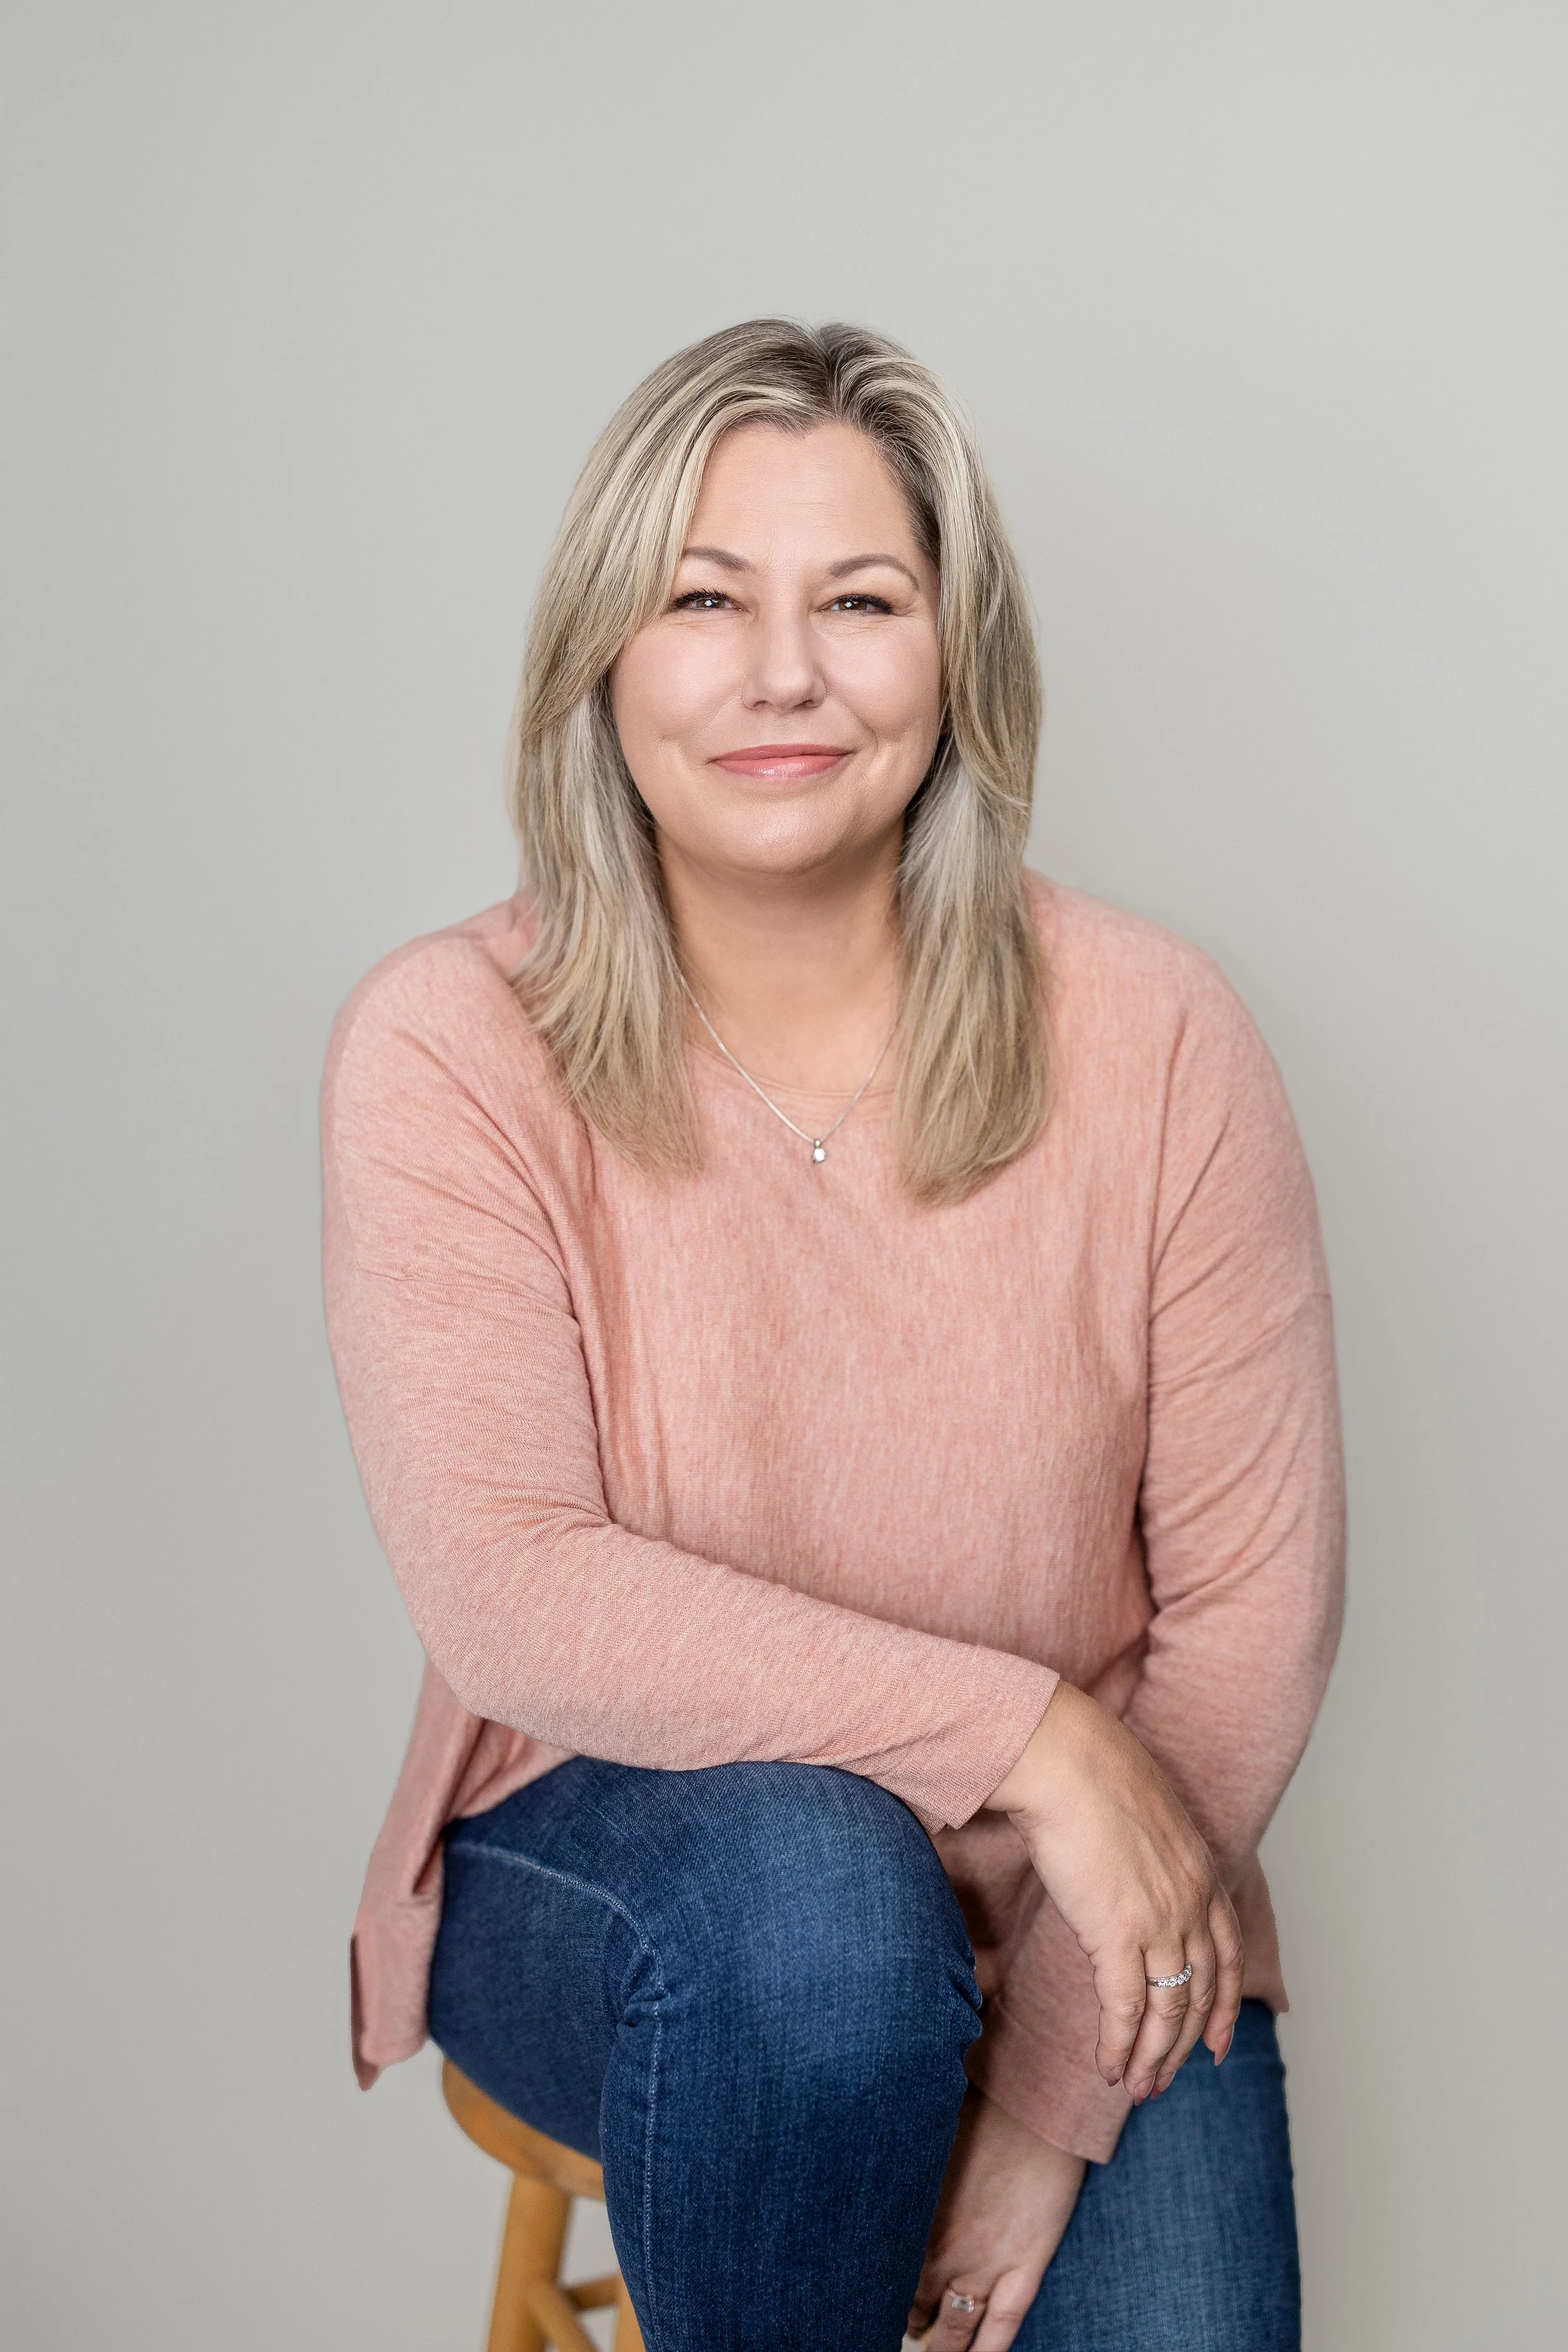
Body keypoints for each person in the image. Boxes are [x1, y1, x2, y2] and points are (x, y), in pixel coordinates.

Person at [322, 319, 1344, 2351]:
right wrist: (1032, 1735)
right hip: (618, 1868)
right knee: (812, 1892)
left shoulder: (1154, 1034)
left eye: (859, 600)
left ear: (955, 655)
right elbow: (516, 1590)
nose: (781, 673)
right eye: (702, 599)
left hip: (1092, 1891)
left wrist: (1051, 2096)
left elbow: (1250, 1603)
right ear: (601, 653)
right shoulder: (448, 1046)